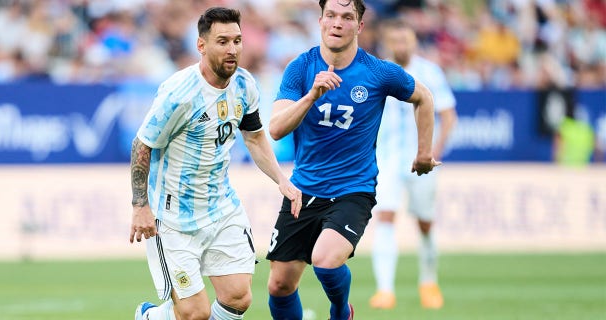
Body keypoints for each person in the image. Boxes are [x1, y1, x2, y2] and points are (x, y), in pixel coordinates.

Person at [265, 1, 440, 319]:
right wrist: (311, 96)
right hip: (303, 190)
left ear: (359, 27)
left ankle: (341, 311)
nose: (337, 23)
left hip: (353, 189)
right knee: (279, 286)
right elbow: (276, 129)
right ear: (320, 21)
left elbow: (424, 98)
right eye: (331, 16)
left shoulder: (378, 72)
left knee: (326, 259)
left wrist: (424, 153)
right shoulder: (301, 68)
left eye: (347, 17)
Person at [129, 7, 302, 320]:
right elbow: (142, 144)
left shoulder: (245, 85)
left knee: (238, 297)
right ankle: (150, 317)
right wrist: (140, 206)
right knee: (195, 314)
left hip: (221, 208)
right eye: (222, 41)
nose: (232, 49)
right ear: (201, 45)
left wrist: (281, 179)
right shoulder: (179, 94)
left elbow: (254, 137)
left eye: (237, 40)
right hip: (175, 218)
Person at [369, 19, 458, 310]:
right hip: (387, 159)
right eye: (395, 41)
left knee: (425, 222)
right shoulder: (376, 71)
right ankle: (385, 291)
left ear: (414, 42)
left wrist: (433, 151)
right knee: (384, 217)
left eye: (405, 40)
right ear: (388, 43)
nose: (401, 46)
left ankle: (429, 282)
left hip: (422, 159)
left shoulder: (429, 72)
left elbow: (449, 116)